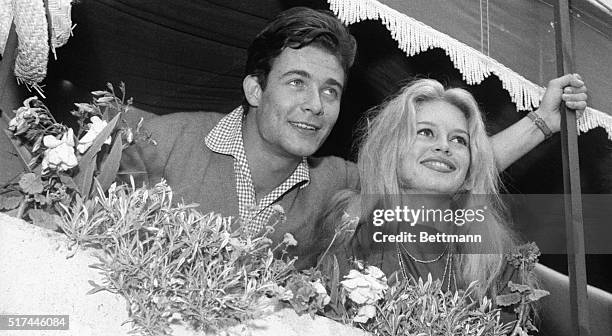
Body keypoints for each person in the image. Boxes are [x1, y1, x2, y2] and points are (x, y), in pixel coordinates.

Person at [120, 7, 588, 269]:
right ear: (254, 88)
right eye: (297, 82)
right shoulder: (163, 139)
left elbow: (434, 169)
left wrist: (541, 123)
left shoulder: (335, 183)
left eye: (330, 90)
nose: (315, 105)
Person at [315, 79, 537, 313]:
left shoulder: (497, 259)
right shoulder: (351, 227)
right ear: (392, 150)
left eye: (458, 140)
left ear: (471, 169)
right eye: (426, 132)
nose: (444, 147)